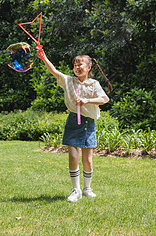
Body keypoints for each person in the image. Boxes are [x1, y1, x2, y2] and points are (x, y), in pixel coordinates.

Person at [37, 47, 112, 202]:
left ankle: (87, 189)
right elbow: (55, 71)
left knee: (87, 160)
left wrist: (87, 100)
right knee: (73, 155)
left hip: (88, 123)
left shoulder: (94, 84)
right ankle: (76, 190)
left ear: (89, 67)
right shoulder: (69, 81)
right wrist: (44, 58)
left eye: (80, 65)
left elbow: (104, 99)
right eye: (75, 65)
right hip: (73, 121)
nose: (77, 68)